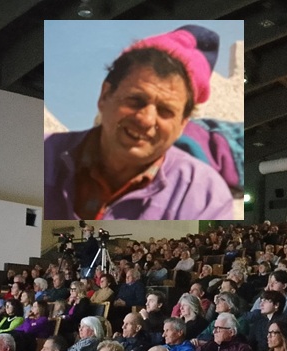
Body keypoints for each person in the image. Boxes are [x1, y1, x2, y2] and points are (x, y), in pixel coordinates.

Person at [44, 25, 235, 221]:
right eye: (136, 101)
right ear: (105, 95)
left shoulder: (204, 196)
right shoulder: (40, 155)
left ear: (182, 124)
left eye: (165, 110)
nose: (146, 119)